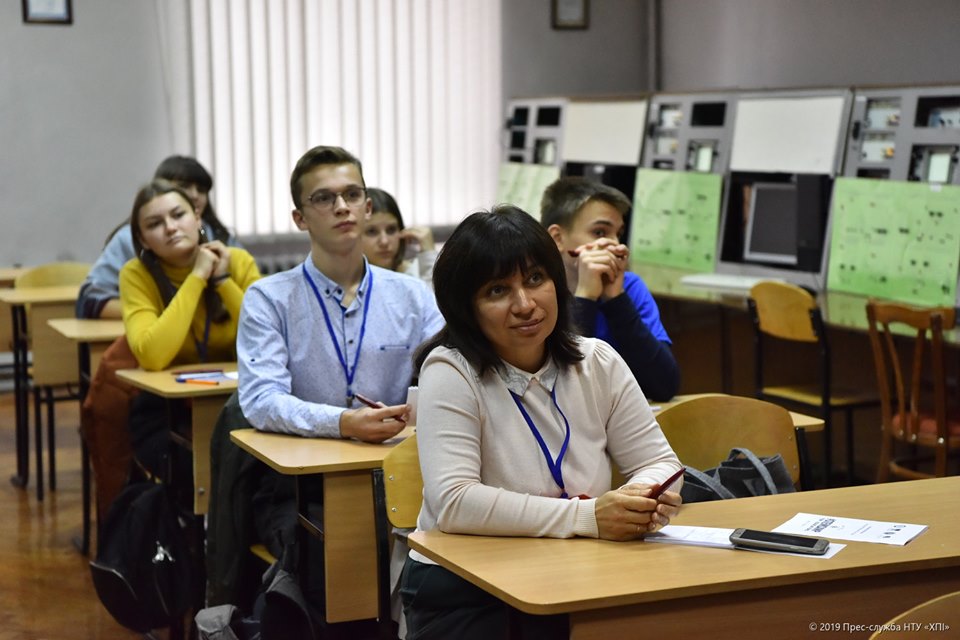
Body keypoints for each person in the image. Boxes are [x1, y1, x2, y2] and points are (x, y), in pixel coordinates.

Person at [401, 206, 683, 640]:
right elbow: (455, 502)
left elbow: (661, 463)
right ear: (466, 307)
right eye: (497, 290)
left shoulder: (596, 360)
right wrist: (589, 517)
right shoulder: (450, 370)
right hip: (468, 588)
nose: (525, 304)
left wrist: (644, 499)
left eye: (535, 279)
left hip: (581, 567)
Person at [119, 179, 260, 479]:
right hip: (167, 409)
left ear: (197, 218)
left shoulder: (238, 262)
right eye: (155, 223)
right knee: (186, 469)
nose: (170, 227)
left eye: (178, 215)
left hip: (239, 400)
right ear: (143, 239)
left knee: (255, 473)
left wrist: (222, 281)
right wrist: (197, 275)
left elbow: (269, 336)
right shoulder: (136, 275)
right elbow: (152, 356)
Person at [540, 176, 680, 401]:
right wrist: (585, 297)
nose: (616, 245)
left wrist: (616, 299)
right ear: (557, 238)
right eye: (600, 233)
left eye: (618, 233)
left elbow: (664, 386)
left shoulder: (630, 286)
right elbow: (560, 389)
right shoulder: (536, 293)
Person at [77, 155, 242, 319]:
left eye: (201, 190)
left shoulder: (222, 238)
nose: (194, 195)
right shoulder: (128, 239)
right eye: (185, 186)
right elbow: (90, 300)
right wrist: (152, 313)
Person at [362, 187, 437, 283]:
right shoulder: (348, 282)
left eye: (391, 230)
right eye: (372, 231)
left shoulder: (416, 272)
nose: (384, 241)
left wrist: (428, 256)